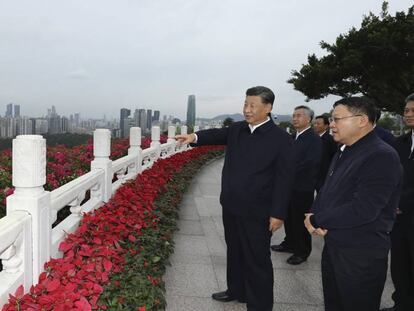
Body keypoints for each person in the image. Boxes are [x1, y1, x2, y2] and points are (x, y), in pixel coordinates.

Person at [175, 86, 295, 311]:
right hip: (231, 206)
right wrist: (193, 136)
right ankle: (236, 290)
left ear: (268, 108)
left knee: (257, 259)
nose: (247, 110)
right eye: (245, 105)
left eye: (253, 106)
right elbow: (215, 135)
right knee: (235, 250)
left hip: (259, 211)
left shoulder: (281, 139)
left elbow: (285, 179)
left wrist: (278, 213)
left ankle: (259, 305)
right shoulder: (238, 129)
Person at [304, 96, 402, 311]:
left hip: (360, 254)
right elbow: (328, 189)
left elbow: (364, 209)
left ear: (361, 120)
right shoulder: (345, 150)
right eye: (331, 119)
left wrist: (318, 219)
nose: (332, 125)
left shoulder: (381, 155)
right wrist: (314, 213)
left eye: (337, 119)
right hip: (335, 245)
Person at [271, 106, 321, 265]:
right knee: (289, 217)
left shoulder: (314, 140)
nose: (294, 118)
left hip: (302, 187)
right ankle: (290, 243)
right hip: (288, 186)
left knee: (300, 220)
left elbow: (309, 164)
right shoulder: (292, 137)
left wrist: (285, 172)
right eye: (293, 115)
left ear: (309, 119)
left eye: (299, 115)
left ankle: (302, 251)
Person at [381, 94, 414, 311]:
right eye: (406, 110)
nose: (408, 115)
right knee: (400, 266)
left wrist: (401, 200)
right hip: (398, 219)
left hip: (408, 209)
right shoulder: (399, 143)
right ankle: (401, 304)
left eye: (413, 110)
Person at [313, 114, 337, 192]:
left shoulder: (331, 140)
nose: (315, 125)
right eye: (315, 123)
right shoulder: (312, 139)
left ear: (326, 126)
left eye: (318, 124)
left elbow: (334, 157)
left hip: (324, 176)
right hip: (311, 175)